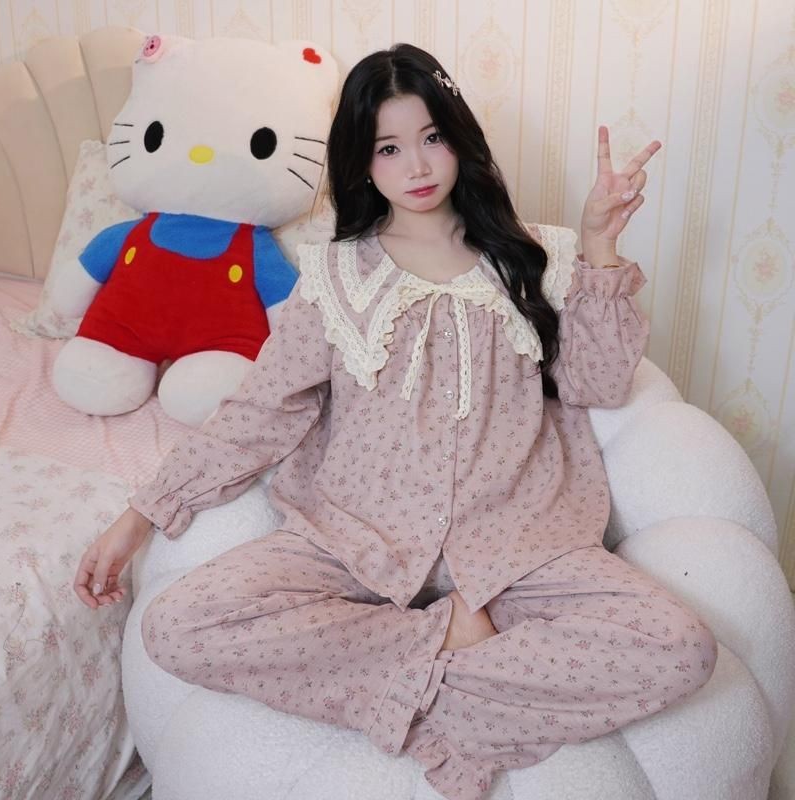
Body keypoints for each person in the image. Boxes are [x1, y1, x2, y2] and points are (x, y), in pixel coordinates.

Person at [74, 43, 717, 800]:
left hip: (518, 546)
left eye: (431, 137)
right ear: (362, 162)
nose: (416, 166)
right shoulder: (334, 277)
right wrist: (141, 515)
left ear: (459, 138)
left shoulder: (536, 260)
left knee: (680, 647)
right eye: (388, 147)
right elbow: (260, 411)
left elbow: (597, 383)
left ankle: (430, 696)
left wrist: (602, 246)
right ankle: (448, 646)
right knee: (178, 625)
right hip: (358, 541)